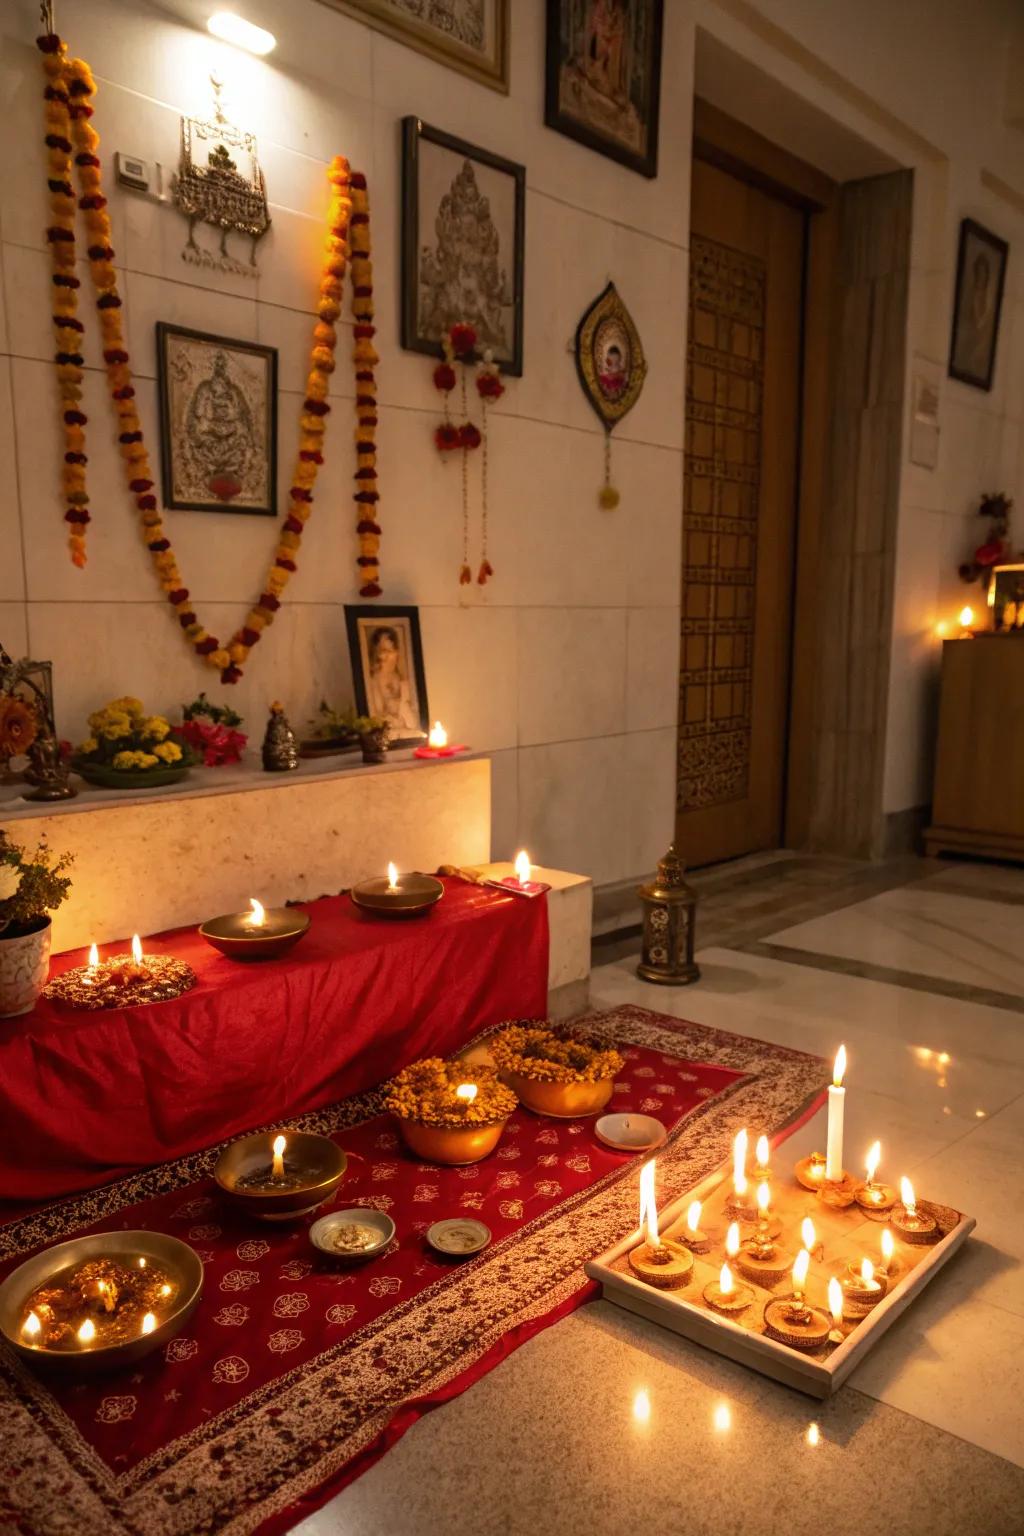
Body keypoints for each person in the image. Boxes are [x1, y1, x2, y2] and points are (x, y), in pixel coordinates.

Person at [365, 627, 419, 732]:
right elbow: (375, 720)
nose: (383, 657)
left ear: (397, 652)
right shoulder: (372, 682)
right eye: (381, 651)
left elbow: (413, 722)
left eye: (389, 651)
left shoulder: (404, 683)